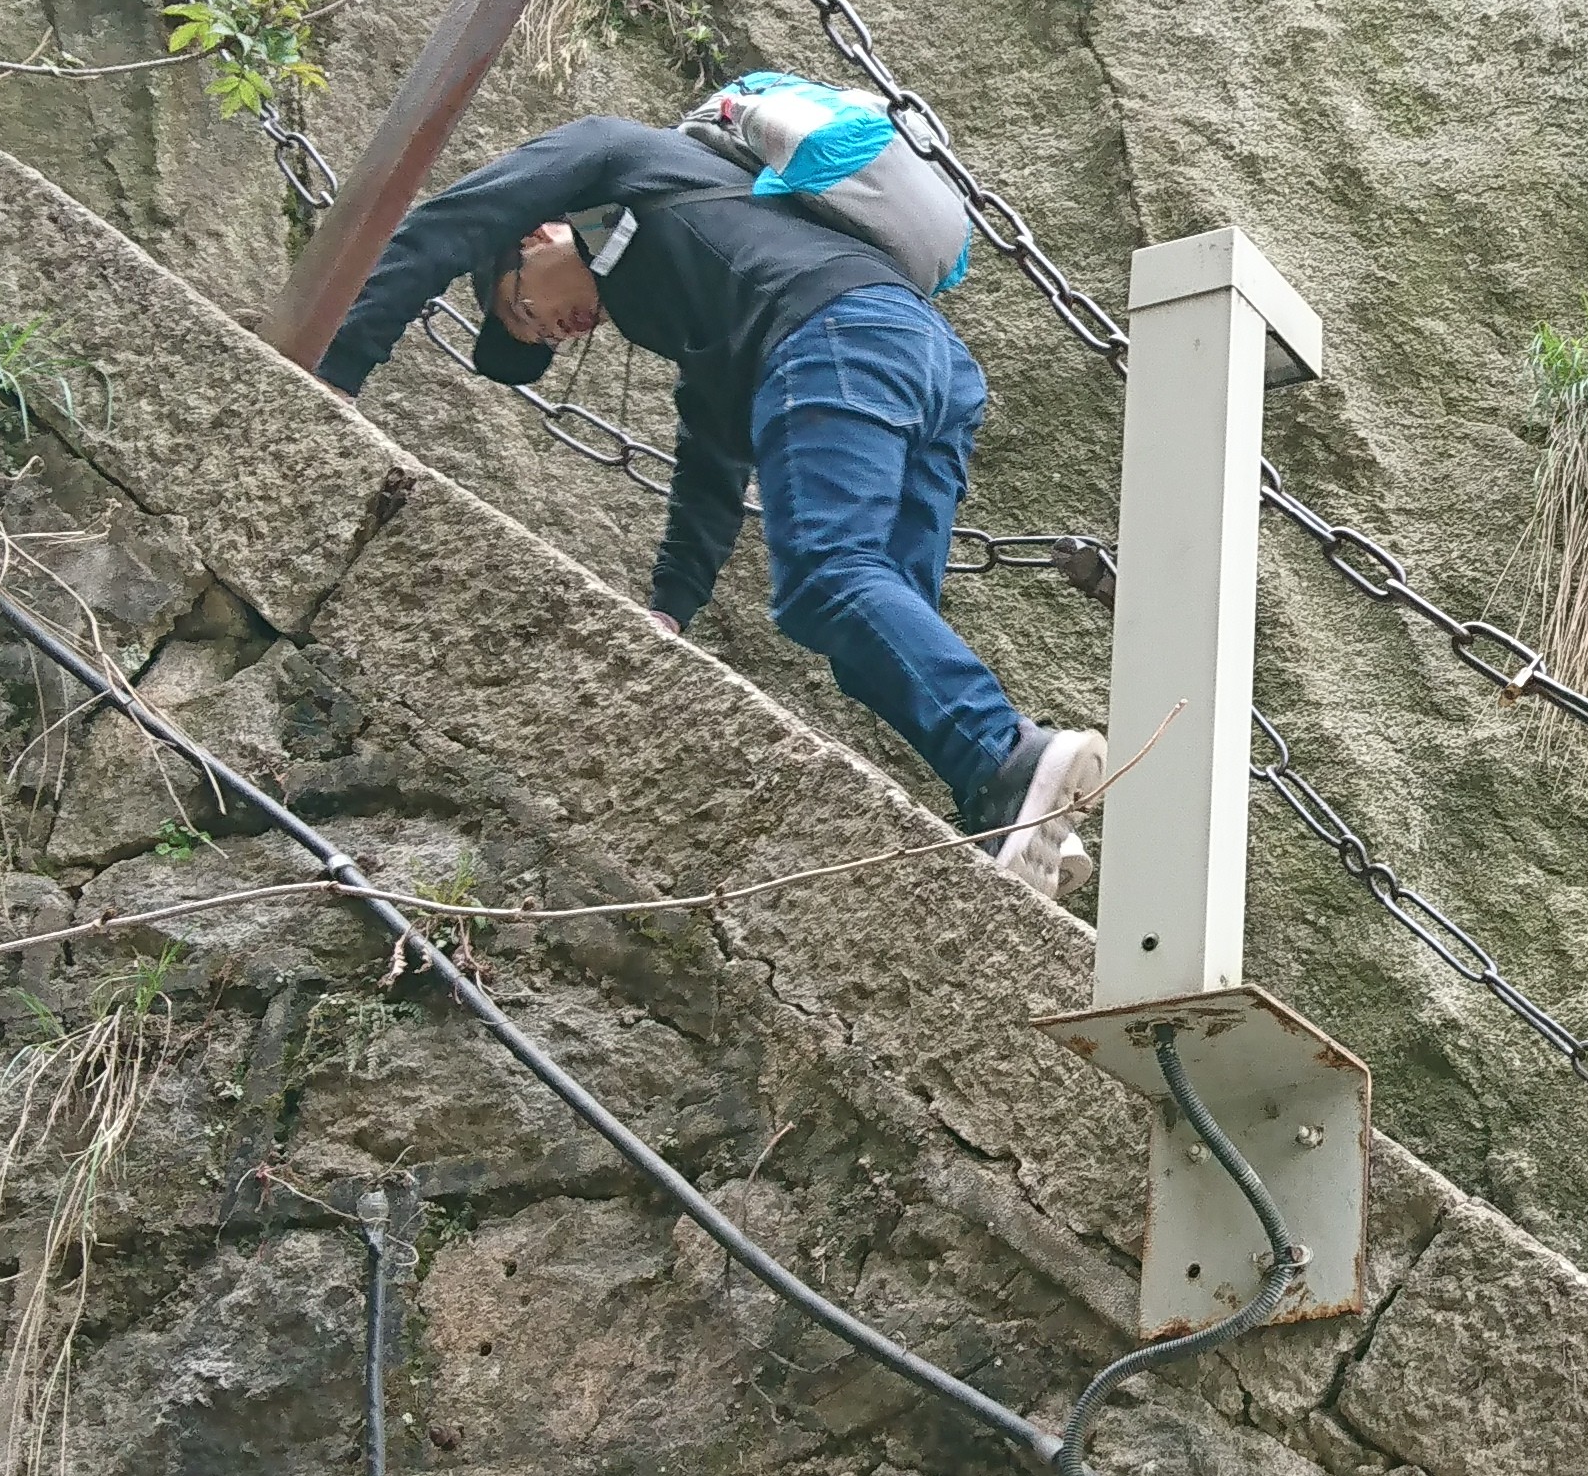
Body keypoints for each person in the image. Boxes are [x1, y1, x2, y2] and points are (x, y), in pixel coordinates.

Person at [312, 102, 1103, 890]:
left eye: (527, 313)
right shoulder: (698, 286)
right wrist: (671, 607)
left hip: (837, 334)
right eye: (546, 341)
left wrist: (335, 371)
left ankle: (1010, 755)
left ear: (532, 236)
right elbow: (712, 457)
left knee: (828, 577)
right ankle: (1008, 800)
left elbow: (445, 225)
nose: (559, 330)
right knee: (879, 634)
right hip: (929, 360)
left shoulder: (614, 153)